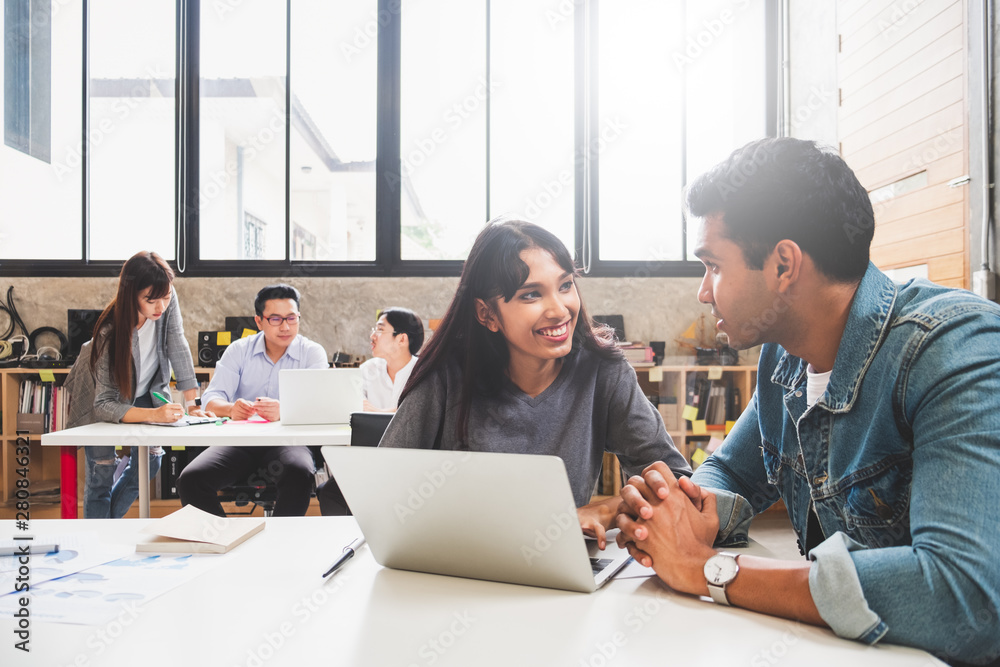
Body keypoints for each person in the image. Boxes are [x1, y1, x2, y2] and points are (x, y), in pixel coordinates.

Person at [615, 138, 1000, 666]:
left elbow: (965, 598)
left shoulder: (955, 350)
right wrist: (691, 512)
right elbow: (729, 470)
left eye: (713, 266)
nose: (704, 293)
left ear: (783, 265)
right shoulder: (783, 357)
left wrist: (708, 569)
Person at [378, 217, 690, 547]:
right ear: (487, 314)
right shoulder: (448, 375)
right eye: (531, 295)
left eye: (565, 285)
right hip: (459, 563)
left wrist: (607, 510)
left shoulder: (603, 371)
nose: (560, 310)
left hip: (560, 563)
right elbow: (384, 489)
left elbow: (676, 481)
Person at [176, 284, 328, 517]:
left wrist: (285, 410)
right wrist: (231, 409)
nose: (286, 326)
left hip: (289, 442)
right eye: (275, 319)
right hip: (240, 442)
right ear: (259, 321)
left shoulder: (312, 353)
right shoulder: (238, 350)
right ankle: (223, 542)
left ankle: (277, 545)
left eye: (291, 318)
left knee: (299, 472)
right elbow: (210, 399)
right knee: (191, 479)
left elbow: (322, 404)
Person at [83, 251, 208, 518]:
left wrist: (193, 404)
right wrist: (153, 415)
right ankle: (96, 540)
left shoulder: (166, 297)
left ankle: (107, 525)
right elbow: (104, 404)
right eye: (151, 300)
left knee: (152, 459)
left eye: (165, 297)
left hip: (144, 391)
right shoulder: (109, 332)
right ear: (131, 295)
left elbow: (177, 341)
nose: (160, 307)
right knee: (101, 473)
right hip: (104, 398)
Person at [360, 307, 424, 412]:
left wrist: (378, 413)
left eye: (380, 330)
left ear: (402, 339)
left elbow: (421, 412)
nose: (372, 336)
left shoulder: (423, 373)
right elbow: (354, 406)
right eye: (374, 329)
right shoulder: (368, 369)